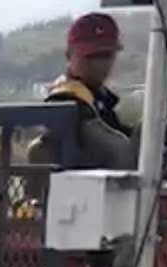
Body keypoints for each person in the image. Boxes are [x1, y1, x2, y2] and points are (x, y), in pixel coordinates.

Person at [32, 12, 135, 171]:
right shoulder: (65, 99)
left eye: (106, 55)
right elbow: (116, 149)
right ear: (69, 55)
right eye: (90, 56)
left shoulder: (99, 98)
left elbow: (118, 132)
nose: (99, 64)